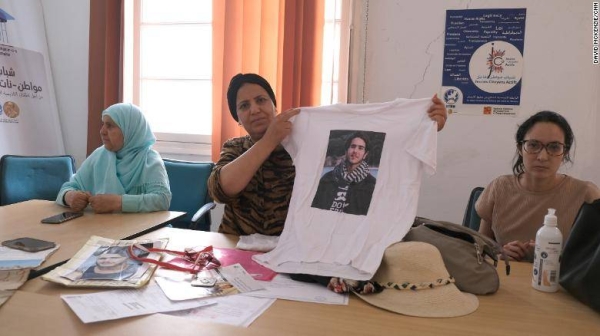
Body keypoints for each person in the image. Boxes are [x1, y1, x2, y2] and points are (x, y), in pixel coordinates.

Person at [208, 73, 448, 236]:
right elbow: (221, 190)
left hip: (295, 251)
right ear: (237, 118)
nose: (255, 109)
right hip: (237, 249)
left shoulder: (309, 142)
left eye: (261, 100)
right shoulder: (235, 148)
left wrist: (422, 127)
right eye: (244, 106)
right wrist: (269, 140)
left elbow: (371, 148)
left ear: (274, 104)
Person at [476, 111, 600, 261]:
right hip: (507, 279)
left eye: (554, 147)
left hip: (559, 282)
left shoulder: (587, 195)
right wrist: (499, 256)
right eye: (533, 145)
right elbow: (479, 252)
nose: (542, 157)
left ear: (564, 152)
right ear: (520, 148)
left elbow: (593, 260)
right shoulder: (499, 188)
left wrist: (558, 257)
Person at [56, 103, 171, 213]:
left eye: (110, 126)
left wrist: (119, 202)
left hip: (143, 230)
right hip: (102, 229)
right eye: (103, 124)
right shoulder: (100, 155)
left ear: (129, 130)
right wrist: (70, 197)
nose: (102, 131)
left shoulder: (149, 160)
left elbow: (162, 199)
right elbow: (68, 187)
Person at [311, 131, 377, 215]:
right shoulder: (327, 178)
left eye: (360, 148)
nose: (355, 151)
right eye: (353, 146)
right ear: (346, 151)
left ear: (365, 154)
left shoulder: (371, 185)